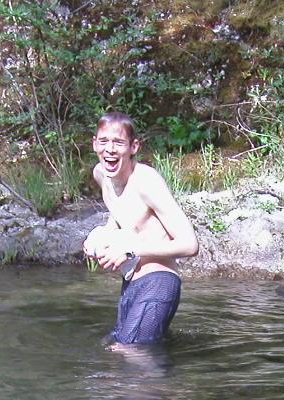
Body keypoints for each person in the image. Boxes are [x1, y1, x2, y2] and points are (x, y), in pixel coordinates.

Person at [82, 112, 199, 345]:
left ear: (133, 147)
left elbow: (190, 244)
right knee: (115, 350)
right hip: (130, 286)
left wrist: (131, 250)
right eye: (104, 141)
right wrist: (102, 237)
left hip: (158, 282)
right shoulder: (101, 175)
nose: (110, 149)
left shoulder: (146, 182)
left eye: (118, 143)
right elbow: (121, 216)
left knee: (131, 354)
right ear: (95, 144)